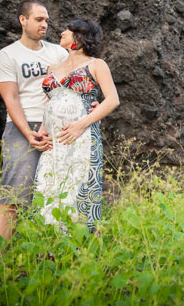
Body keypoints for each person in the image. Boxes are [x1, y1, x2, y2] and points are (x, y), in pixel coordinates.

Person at [0, 0, 67, 285]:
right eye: (38, 19)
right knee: (14, 198)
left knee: (57, 197)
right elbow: (10, 98)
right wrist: (29, 133)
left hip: (56, 128)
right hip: (23, 127)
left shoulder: (58, 52)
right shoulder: (8, 55)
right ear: (23, 20)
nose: (44, 25)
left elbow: (79, 78)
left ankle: (49, 267)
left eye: (46, 20)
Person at [35, 19, 119, 234]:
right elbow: (51, 101)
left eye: (68, 30)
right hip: (54, 141)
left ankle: (82, 248)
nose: (62, 32)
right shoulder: (53, 68)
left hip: (81, 137)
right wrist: (43, 129)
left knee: (79, 190)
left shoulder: (96, 65)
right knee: (49, 189)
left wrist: (80, 125)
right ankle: (51, 247)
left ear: (80, 37)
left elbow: (112, 100)